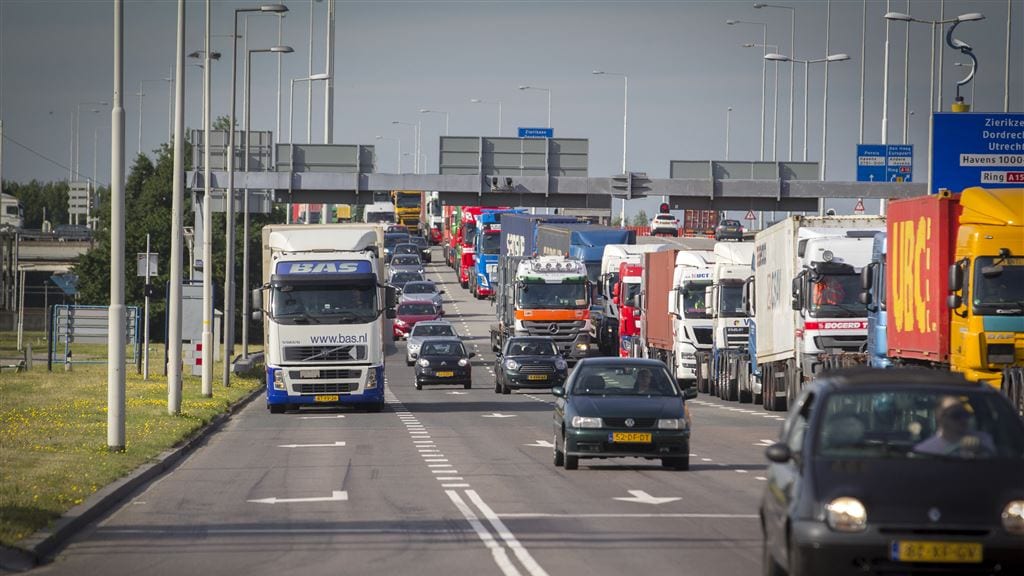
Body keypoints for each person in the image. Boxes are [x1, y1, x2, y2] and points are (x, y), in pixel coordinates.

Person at [914, 396, 996, 457]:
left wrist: (978, 452)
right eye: (956, 415)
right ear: (941, 418)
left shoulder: (983, 440)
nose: (963, 419)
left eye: (965, 414)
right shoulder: (925, 450)